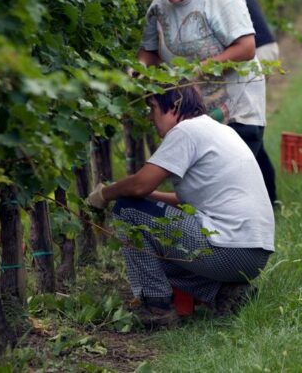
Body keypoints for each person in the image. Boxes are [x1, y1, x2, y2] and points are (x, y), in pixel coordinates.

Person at [86, 82, 275, 326]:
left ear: (174, 105)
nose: (151, 117)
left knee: (128, 209)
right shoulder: (219, 130)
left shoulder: (186, 130)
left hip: (229, 249)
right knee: (150, 257)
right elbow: (187, 201)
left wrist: (104, 194)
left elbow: (140, 185)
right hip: (252, 254)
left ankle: (157, 309)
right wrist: (149, 198)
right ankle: (226, 294)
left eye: (153, 107)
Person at [134, 0, 267, 160]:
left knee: (222, 182)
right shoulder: (159, 6)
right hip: (194, 118)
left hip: (235, 113)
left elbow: (246, 48)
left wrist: (199, 69)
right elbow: (149, 50)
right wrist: (138, 68)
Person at [178, 0, 279, 206]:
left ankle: (258, 198)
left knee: (242, 127)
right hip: (260, 49)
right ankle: (269, 198)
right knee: (247, 129)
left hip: (257, 52)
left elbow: (239, 44)